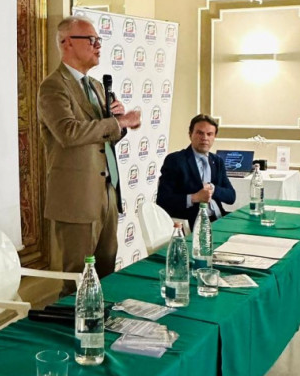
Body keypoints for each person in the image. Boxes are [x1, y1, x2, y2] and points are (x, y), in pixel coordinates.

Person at [38, 15, 141, 295]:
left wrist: (120, 123)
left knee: (105, 273)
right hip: (77, 197)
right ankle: (73, 322)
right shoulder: (53, 86)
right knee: (78, 280)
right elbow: (68, 132)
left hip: (107, 192)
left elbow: (104, 137)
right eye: (91, 40)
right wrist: (117, 123)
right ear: (67, 43)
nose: (98, 45)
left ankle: (102, 318)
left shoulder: (96, 86)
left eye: (99, 40)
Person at [156, 115, 236, 228]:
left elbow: (231, 196)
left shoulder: (217, 161)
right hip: (192, 223)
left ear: (214, 137)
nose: (205, 138)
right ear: (190, 134)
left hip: (218, 218)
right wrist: (194, 198)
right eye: (200, 133)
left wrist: (212, 189)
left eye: (209, 134)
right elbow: (163, 200)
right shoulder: (175, 160)